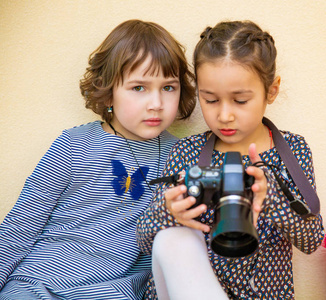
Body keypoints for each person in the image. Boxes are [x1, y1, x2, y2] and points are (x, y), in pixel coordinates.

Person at [0, 19, 196, 299]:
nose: (156, 103)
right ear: (108, 91)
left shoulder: (183, 156)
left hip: (113, 292)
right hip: (36, 286)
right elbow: (19, 227)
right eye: (139, 88)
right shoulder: (73, 145)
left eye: (168, 87)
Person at [136, 20, 325, 300]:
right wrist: (169, 212)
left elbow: (312, 241)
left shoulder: (293, 151)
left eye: (240, 100)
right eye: (210, 100)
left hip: (264, 294)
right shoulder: (187, 152)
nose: (224, 115)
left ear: (271, 90)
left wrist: (273, 198)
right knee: (169, 237)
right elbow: (145, 241)